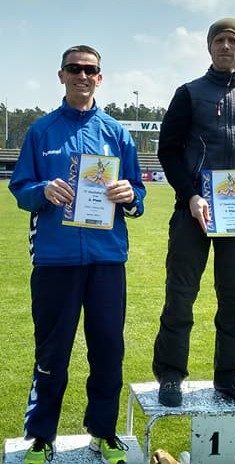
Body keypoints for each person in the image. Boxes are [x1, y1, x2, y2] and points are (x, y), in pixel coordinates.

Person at [9, 45, 146, 464]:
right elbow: (20, 189)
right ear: (62, 75)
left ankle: (102, 432)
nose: (83, 76)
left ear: (100, 78)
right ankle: (40, 435)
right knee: (52, 351)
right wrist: (42, 191)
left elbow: (138, 196)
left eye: (91, 70)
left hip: (107, 260)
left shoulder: (117, 133)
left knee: (107, 348)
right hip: (55, 260)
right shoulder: (41, 131)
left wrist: (128, 194)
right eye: (75, 69)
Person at [152, 17, 235, 407]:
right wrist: (189, 195)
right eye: (219, 40)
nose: (226, 46)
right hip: (194, 211)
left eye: (233, 41)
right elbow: (168, 150)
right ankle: (171, 376)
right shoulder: (189, 93)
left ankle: (228, 376)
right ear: (209, 47)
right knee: (180, 295)